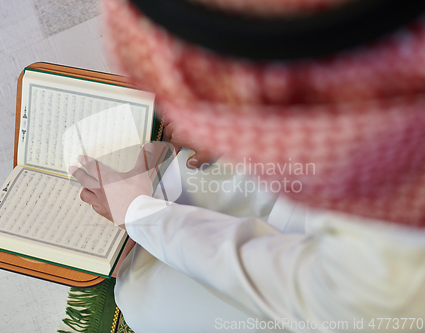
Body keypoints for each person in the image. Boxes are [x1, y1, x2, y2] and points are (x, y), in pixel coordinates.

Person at [72, 0, 425, 331]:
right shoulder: (385, 106)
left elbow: (276, 280)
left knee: (144, 299)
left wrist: (140, 215)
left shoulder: (394, 286)